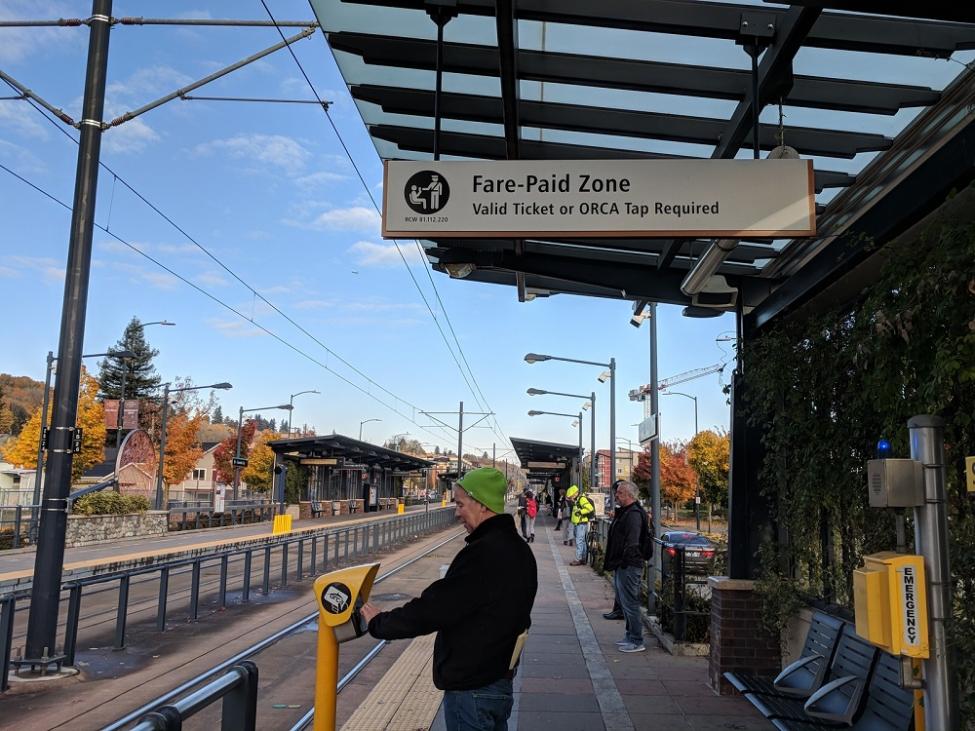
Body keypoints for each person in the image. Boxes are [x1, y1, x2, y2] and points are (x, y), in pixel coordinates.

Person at [360, 468, 537, 731]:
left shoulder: (484, 553)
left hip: (473, 686)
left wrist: (380, 623)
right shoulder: (519, 550)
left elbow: (434, 608)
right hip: (497, 680)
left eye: (460, 504)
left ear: (481, 504)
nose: (457, 513)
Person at [602, 480, 647, 652]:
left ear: (629, 495)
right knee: (626, 601)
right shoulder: (627, 512)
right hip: (623, 564)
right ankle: (630, 636)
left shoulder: (634, 514)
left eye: (619, 493)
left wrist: (624, 561)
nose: (616, 496)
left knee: (630, 603)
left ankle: (636, 640)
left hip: (629, 565)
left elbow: (633, 541)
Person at [566, 485, 594, 566]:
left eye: (571, 496)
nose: (570, 498)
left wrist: (580, 512)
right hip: (579, 523)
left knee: (579, 541)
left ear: (574, 494)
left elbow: (589, 508)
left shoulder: (581, 499)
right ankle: (583, 558)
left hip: (581, 524)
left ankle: (578, 559)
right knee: (583, 541)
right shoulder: (577, 500)